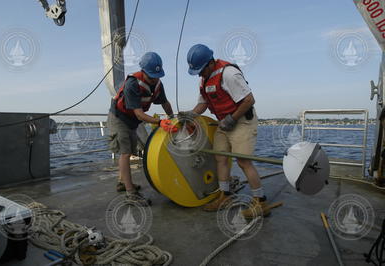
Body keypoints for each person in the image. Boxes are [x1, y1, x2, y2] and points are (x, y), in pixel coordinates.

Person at [182, 44, 269, 218]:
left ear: (210, 63)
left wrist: (232, 119)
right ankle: (225, 196)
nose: (199, 74)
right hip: (224, 123)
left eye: (201, 70)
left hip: (242, 121)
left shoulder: (229, 74)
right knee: (220, 158)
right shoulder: (204, 80)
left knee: (244, 162)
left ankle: (261, 202)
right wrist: (191, 115)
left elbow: (249, 100)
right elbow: (203, 104)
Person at [108, 52, 177, 205]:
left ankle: (121, 182)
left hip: (132, 119)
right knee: (125, 153)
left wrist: (172, 118)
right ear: (144, 72)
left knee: (131, 148)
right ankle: (130, 193)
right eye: (151, 76)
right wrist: (160, 123)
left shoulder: (158, 84)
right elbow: (139, 114)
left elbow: (164, 102)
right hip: (119, 117)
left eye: (157, 76)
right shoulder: (133, 84)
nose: (154, 79)